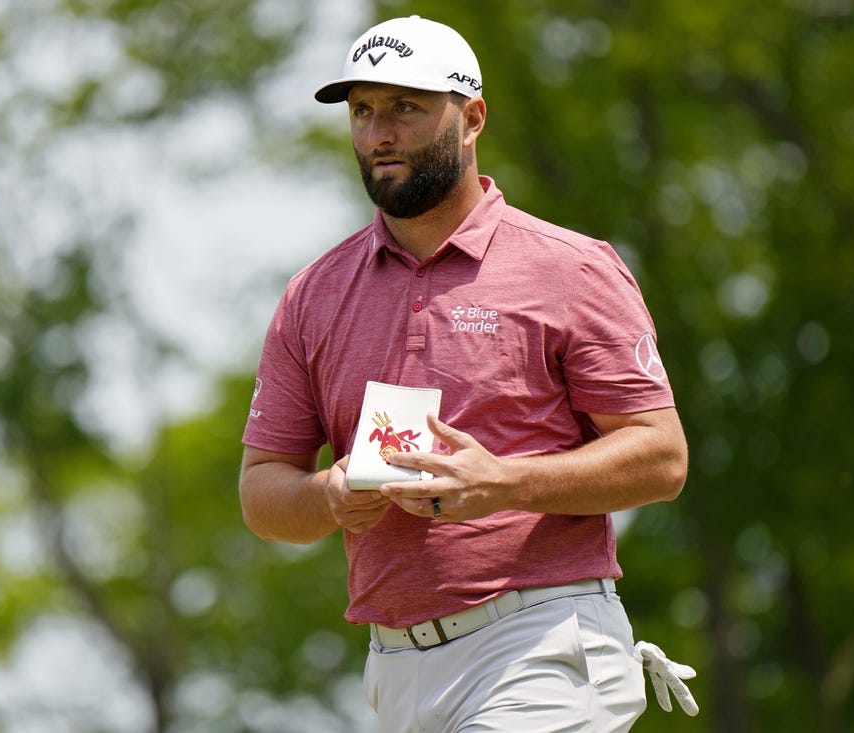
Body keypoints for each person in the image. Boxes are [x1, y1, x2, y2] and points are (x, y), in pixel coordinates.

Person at [240, 15, 696, 732]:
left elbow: (662, 457)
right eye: (362, 111)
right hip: (393, 669)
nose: (378, 132)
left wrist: (504, 482)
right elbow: (262, 491)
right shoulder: (312, 295)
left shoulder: (571, 267)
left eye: (405, 108)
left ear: (472, 117)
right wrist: (328, 494)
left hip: (540, 640)